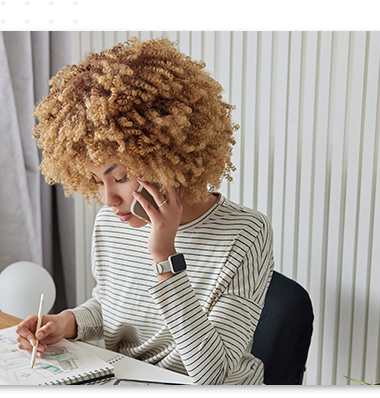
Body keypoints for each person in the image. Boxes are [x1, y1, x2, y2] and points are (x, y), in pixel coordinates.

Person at [17, 37, 274, 385]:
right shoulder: (113, 221)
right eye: (96, 182)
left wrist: (165, 256)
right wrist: (68, 322)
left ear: (167, 157)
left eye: (119, 177)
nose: (108, 200)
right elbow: (113, 307)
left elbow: (212, 376)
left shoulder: (245, 233)